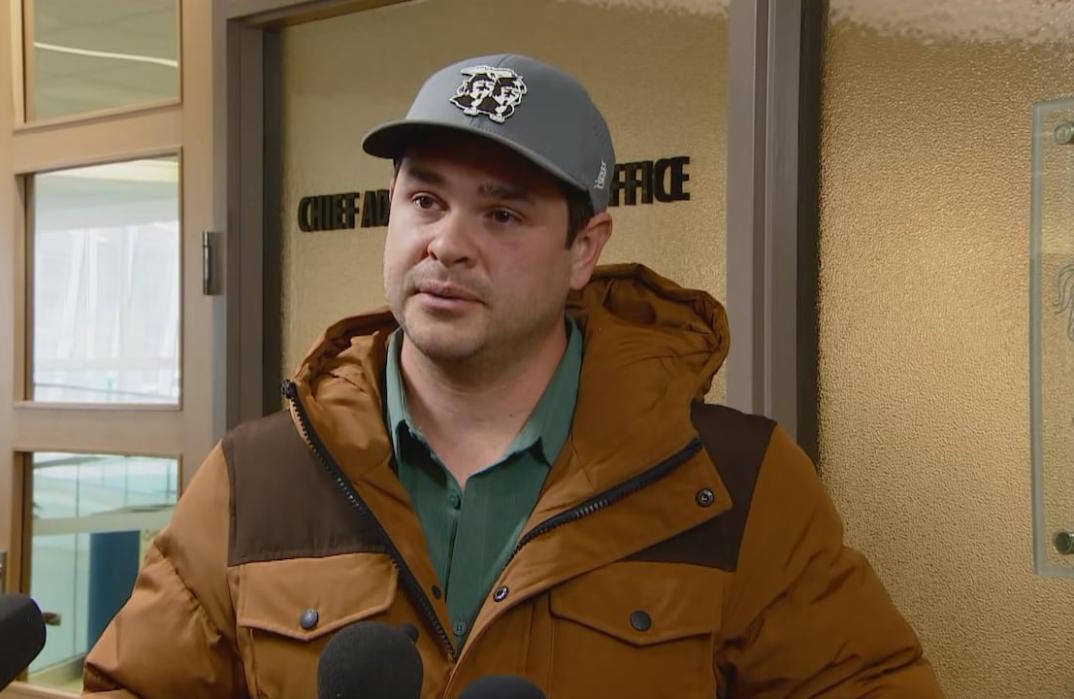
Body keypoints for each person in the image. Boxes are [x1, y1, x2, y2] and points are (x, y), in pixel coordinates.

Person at [82, 54, 942, 698]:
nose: (448, 243)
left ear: (585, 250)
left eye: (501, 212)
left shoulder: (734, 483)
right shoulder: (256, 477)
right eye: (425, 200)